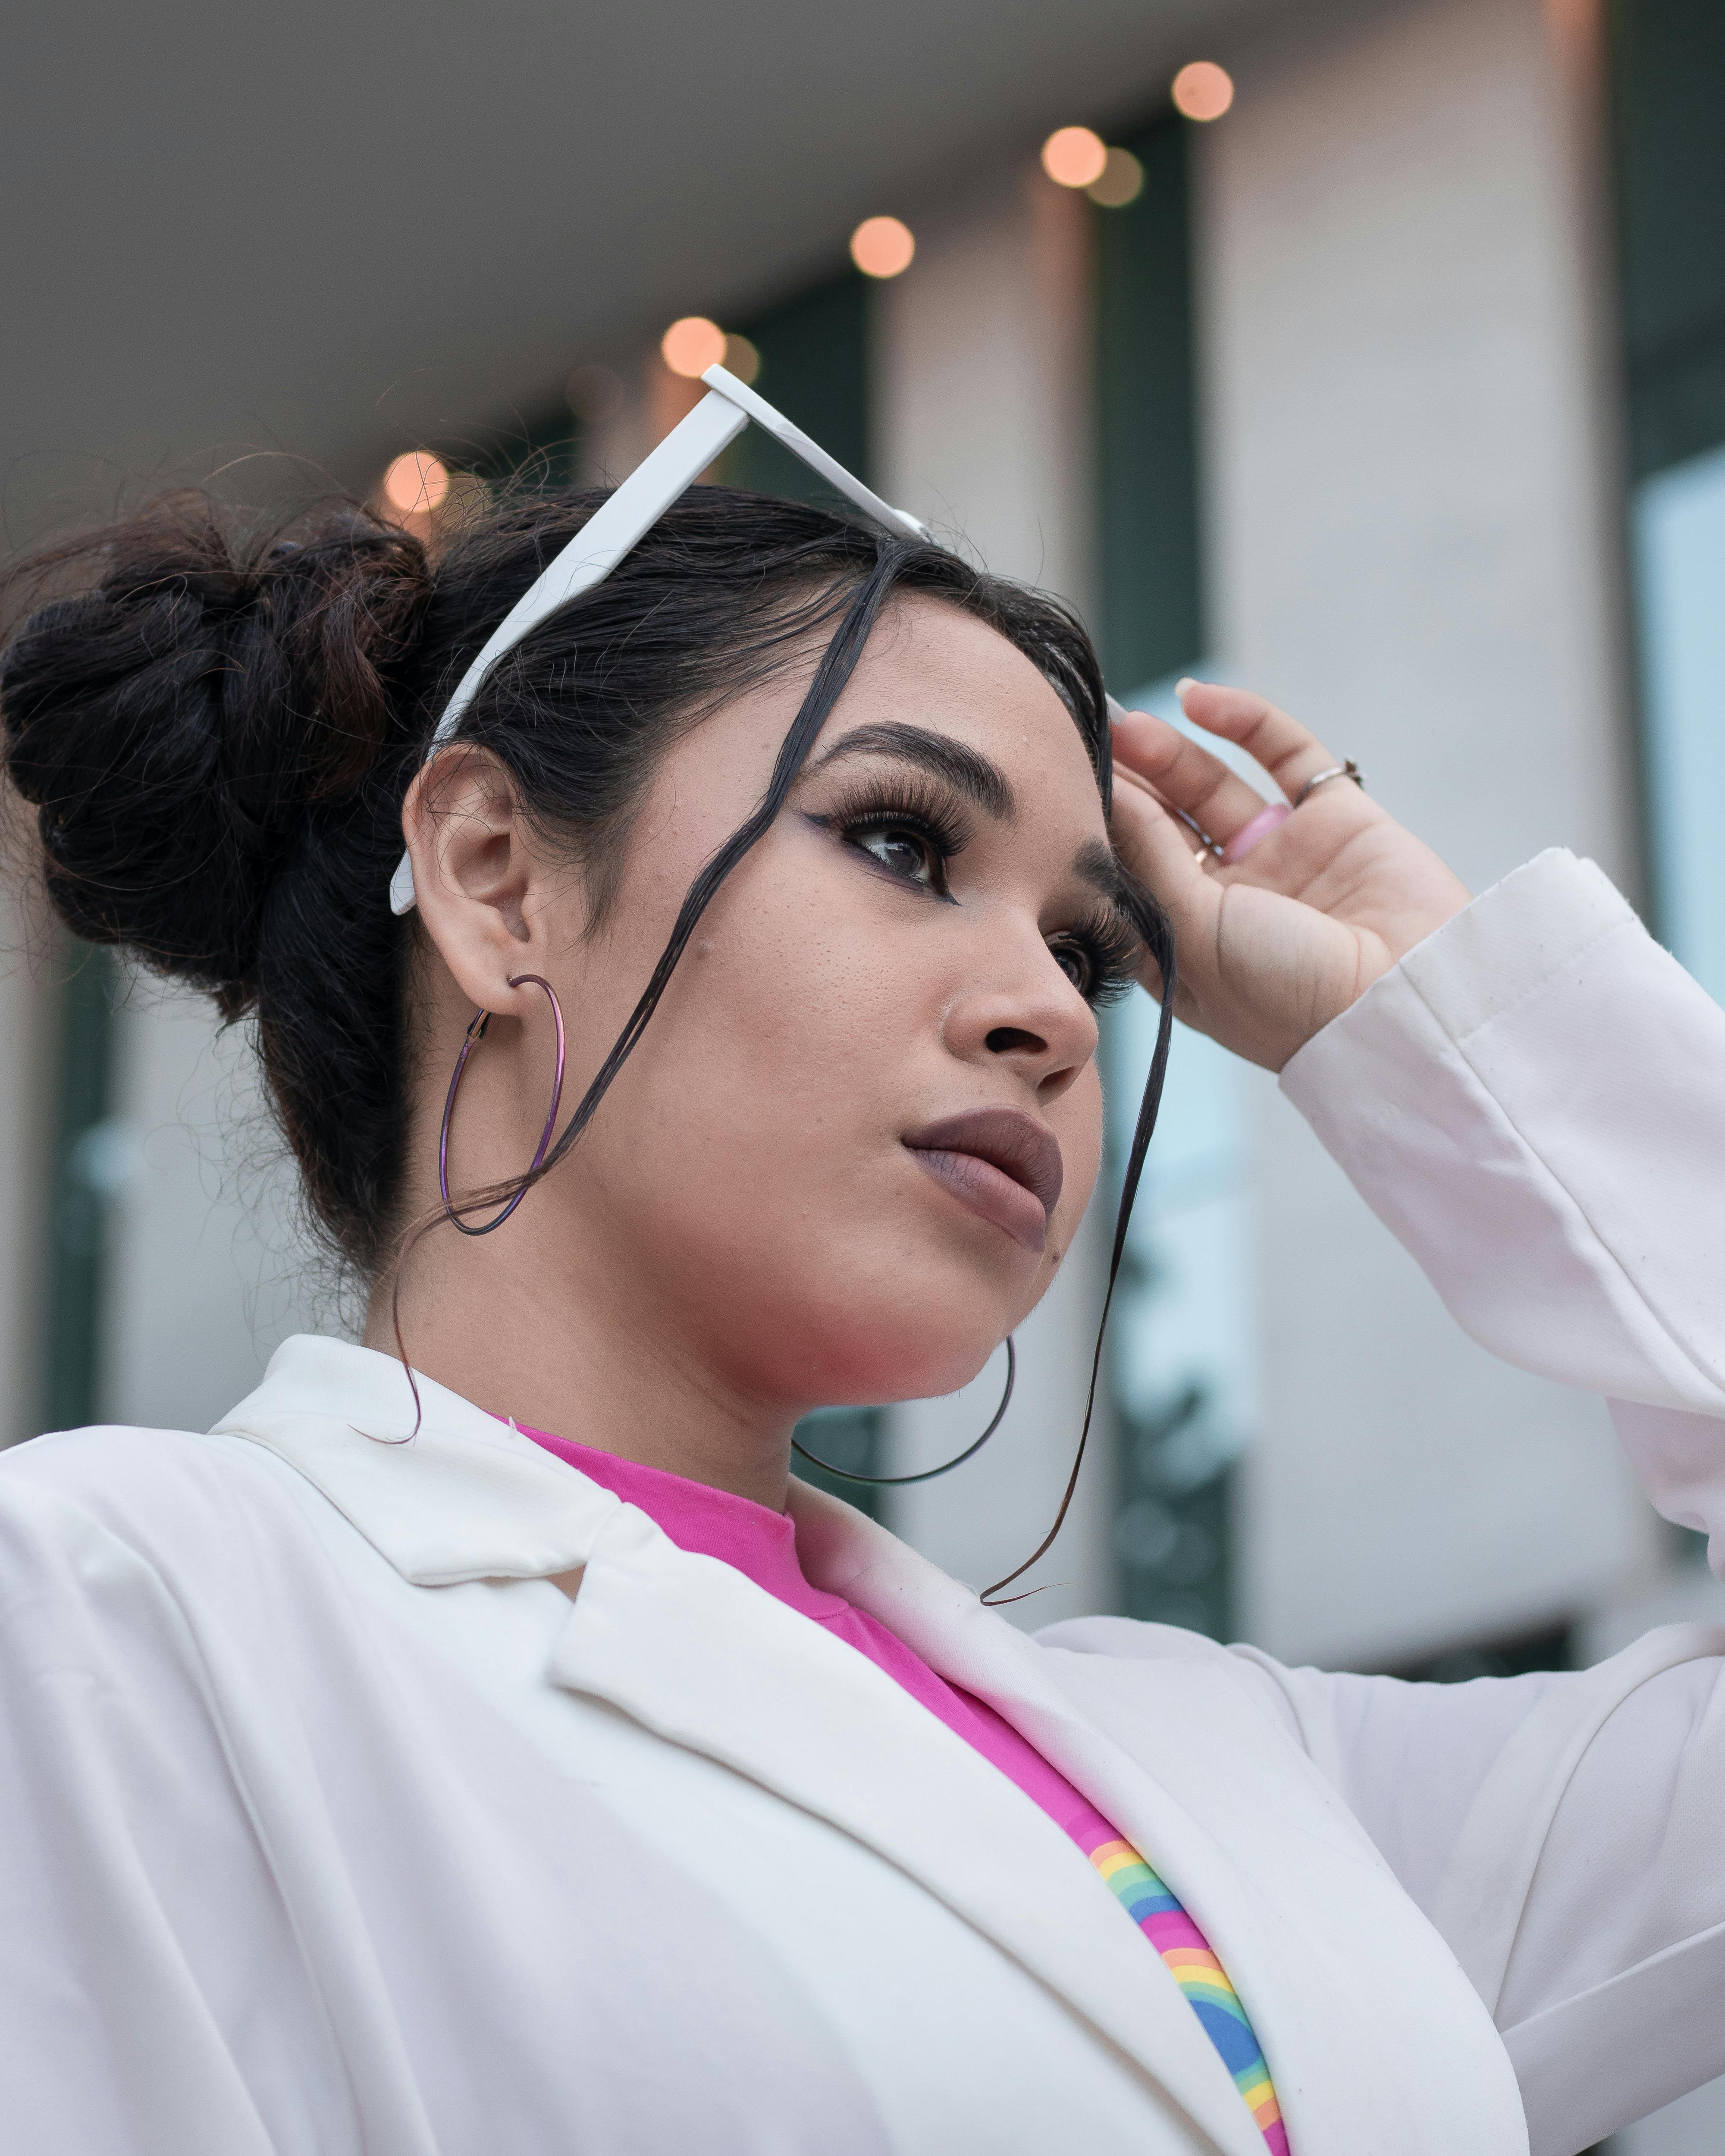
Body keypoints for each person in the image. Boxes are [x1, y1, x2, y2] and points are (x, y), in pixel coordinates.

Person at [0, 476, 1719, 2156]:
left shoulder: (1239, 1770)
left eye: (1093, 948)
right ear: (498, 873)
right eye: (901, 840)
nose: (1049, 1008)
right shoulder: (116, 1608)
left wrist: (1437, 1011)